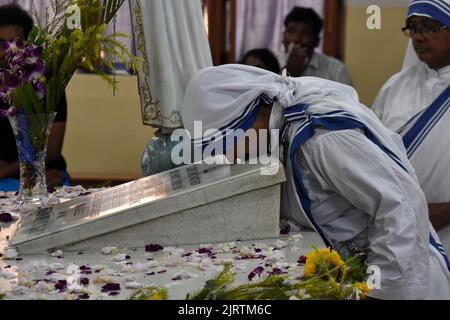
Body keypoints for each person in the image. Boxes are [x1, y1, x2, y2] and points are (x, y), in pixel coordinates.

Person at [181, 64, 450, 299]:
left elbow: (400, 205)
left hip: (402, 278)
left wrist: (383, 291)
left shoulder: (321, 140)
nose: (227, 157)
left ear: (245, 118)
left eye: (224, 144)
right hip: (358, 270)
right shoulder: (280, 133)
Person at [372, 0, 450, 254]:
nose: (418, 37)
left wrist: (444, 212)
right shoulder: (395, 87)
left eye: (429, 26)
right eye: (413, 28)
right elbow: (371, 153)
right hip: (397, 227)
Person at [0, 4, 70, 191]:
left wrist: (10, 170)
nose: (9, 51)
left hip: (47, 174)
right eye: (1, 44)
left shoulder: (47, 82)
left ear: (29, 44)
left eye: (16, 42)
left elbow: (53, 149)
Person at [279, 6, 353, 86]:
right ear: (283, 36)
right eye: (291, 31)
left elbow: (348, 98)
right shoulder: (271, 63)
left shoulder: (336, 69)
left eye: (305, 33)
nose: (297, 39)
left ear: (317, 41)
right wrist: (290, 71)